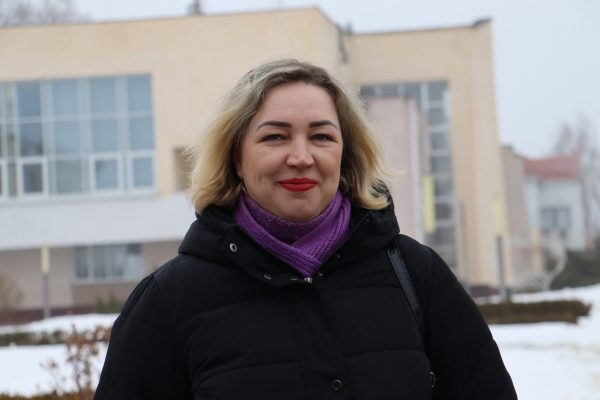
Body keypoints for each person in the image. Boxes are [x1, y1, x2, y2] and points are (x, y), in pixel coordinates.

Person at [95, 59, 517, 399]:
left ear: (346, 154)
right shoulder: (168, 301)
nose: (301, 157)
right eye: (275, 138)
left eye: (321, 137)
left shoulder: (417, 276)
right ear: (236, 158)